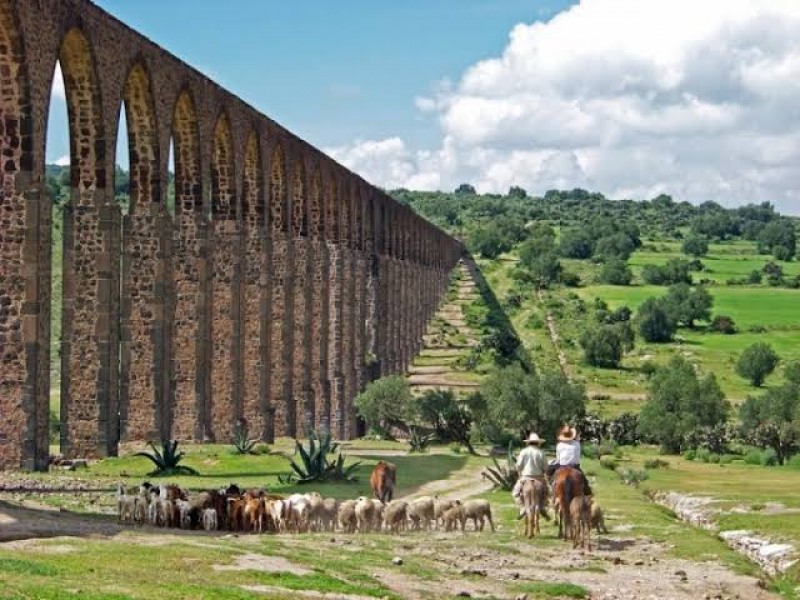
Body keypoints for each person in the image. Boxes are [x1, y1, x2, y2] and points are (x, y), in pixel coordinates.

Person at [546, 424, 592, 496]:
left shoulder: (559, 445)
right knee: (584, 480)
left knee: (549, 473)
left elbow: (558, 459)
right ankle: (588, 492)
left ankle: (551, 489)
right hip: (575, 466)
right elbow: (577, 457)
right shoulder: (577, 444)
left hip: (562, 466)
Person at [512, 432, 549, 519]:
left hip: (525, 477)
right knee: (547, 493)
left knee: (515, 493)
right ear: (538, 443)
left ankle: (523, 508)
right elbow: (545, 467)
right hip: (539, 478)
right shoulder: (541, 452)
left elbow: (518, 466)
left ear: (528, 442)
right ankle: (542, 507)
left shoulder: (523, 452)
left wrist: (519, 474)